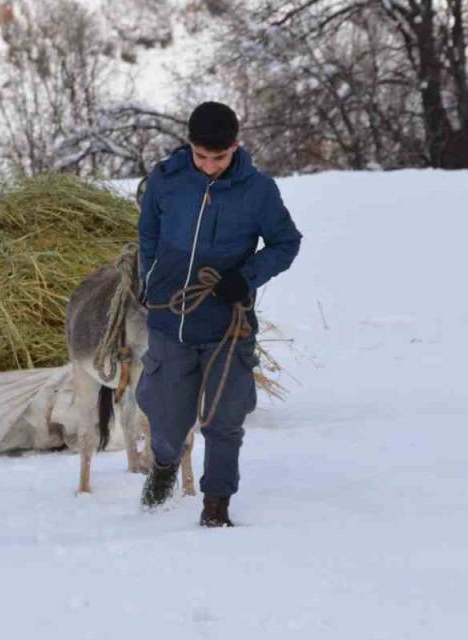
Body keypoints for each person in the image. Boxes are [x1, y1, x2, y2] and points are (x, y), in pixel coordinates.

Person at [136, 102, 302, 527]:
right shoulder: (165, 180)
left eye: (220, 157)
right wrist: (152, 280)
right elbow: (148, 234)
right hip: (170, 321)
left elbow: (286, 242)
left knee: (225, 420)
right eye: (201, 156)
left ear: (236, 147)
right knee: (166, 420)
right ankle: (164, 464)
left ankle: (216, 505)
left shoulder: (258, 191)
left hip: (227, 324)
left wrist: (245, 277)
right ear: (189, 145)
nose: (209, 166)